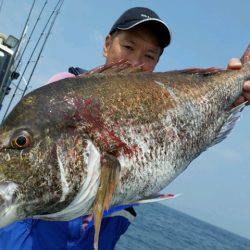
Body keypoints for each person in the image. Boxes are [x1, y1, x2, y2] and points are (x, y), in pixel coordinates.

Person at [0, 6, 249, 250]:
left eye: (149, 56)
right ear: (107, 44)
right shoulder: (62, 92)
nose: (136, 61)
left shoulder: (163, 103)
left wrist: (233, 95)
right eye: (128, 47)